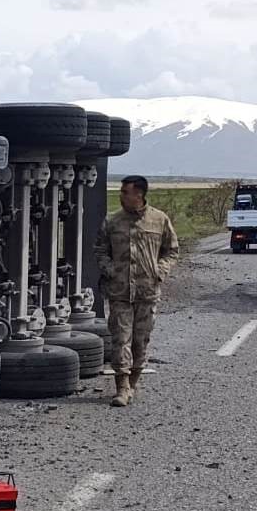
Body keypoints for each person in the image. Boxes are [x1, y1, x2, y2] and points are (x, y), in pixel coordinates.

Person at [96, 175, 180, 408]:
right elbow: (101, 249)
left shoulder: (159, 220)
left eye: (125, 192)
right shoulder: (112, 221)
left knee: (140, 339)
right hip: (120, 291)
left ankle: (134, 382)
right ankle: (121, 387)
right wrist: (110, 269)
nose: (121, 196)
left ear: (139, 195)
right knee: (120, 338)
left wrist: (159, 271)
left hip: (147, 291)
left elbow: (171, 250)